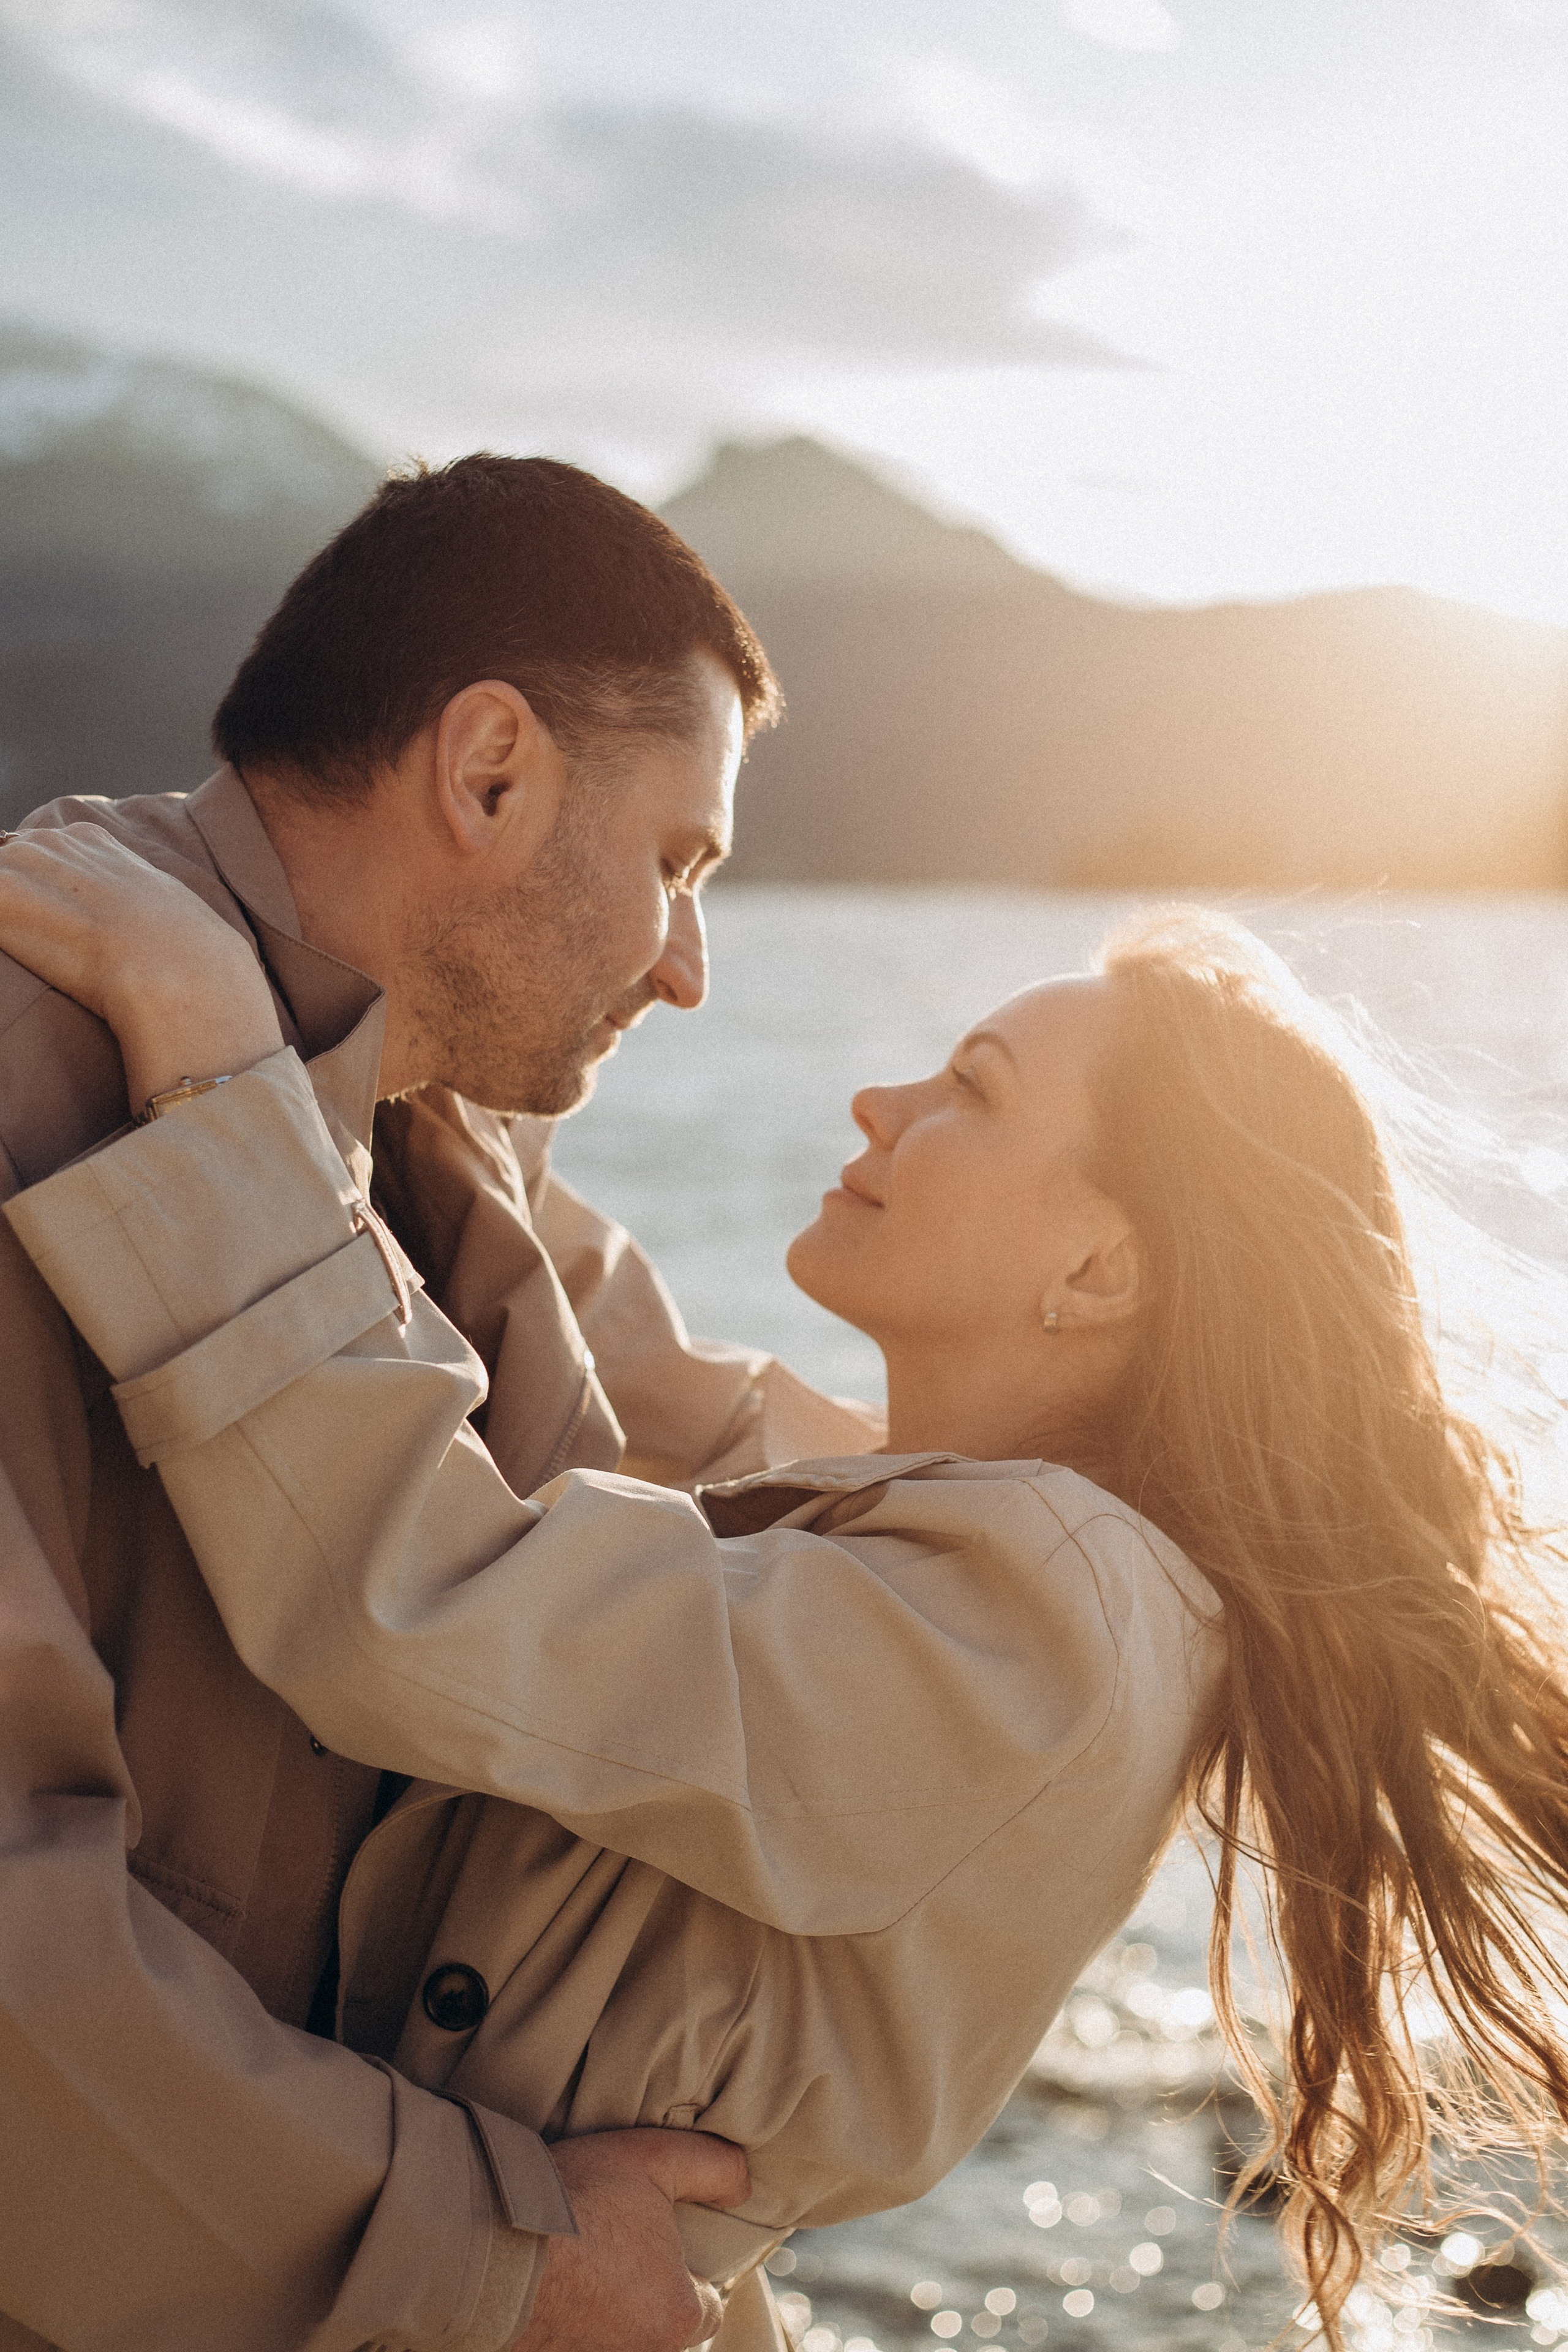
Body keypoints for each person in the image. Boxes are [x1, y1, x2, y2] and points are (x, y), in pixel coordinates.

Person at [10, 840, 1568, 2351]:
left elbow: (416, 1592)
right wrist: (452, 995)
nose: (877, 1101)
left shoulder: (1051, 1613)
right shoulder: (974, 1528)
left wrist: (215, 1063)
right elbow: (584, 1339)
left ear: (1099, 1273)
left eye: (969, 1090)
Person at [0, 455, 891, 2352]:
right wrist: (504, 2258)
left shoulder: (425, 1135)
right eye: (679, 859)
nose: (688, 964)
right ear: (490, 773)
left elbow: (725, 1439)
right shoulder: (25, 1099)